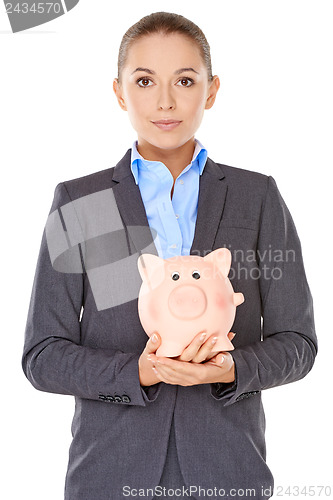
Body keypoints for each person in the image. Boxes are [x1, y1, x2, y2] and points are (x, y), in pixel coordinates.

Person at [22, 11, 317, 500]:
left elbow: (298, 342)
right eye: (144, 81)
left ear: (212, 89)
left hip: (229, 475)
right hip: (108, 478)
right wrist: (141, 371)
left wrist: (230, 370)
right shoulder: (83, 202)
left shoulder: (255, 196)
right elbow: (43, 356)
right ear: (119, 92)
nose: (164, 101)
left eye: (184, 80)